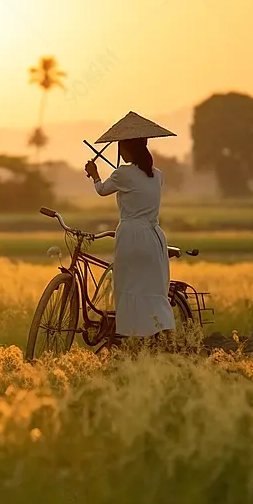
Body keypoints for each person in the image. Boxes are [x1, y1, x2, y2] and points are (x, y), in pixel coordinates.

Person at [84, 112, 177, 345]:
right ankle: (163, 334)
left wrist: (94, 175)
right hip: (154, 237)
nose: (119, 151)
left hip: (131, 237)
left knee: (128, 287)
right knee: (153, 289)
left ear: (127, 149)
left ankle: (132, 337)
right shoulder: (158, 176)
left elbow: (102, 190)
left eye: (121, 146)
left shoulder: (122, 174)